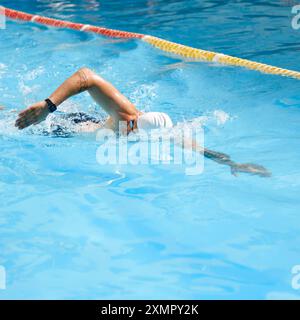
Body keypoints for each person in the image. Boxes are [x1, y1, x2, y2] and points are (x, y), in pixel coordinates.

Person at [15, 68, 271, 177]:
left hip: (88, 125)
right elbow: (86, 76)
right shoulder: (127, 117)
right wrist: (49, 106)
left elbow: (198, 148)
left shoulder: (159, 133)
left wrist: (232, 163)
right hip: (64, 128)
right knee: (15, 118)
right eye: (133, 125)